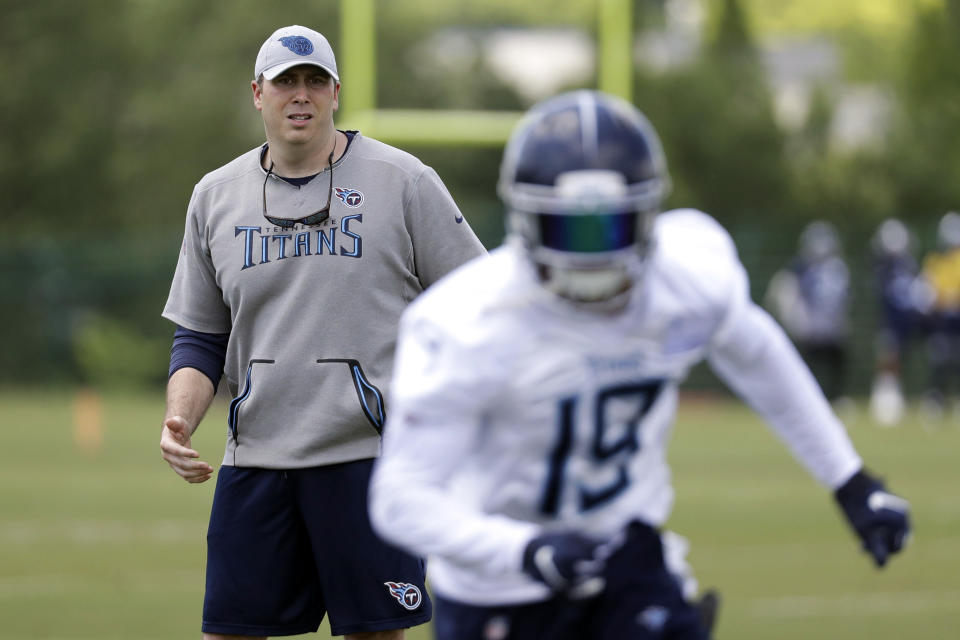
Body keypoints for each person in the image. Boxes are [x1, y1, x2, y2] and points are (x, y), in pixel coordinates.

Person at [368, 90, 911, 640]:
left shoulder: (686, 275)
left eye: (609, 228)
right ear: (527, 219)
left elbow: (757, 353)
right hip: (500, 591)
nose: (592, 255)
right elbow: (401, 498)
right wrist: (523, 548)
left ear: (648, 215)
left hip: (627, 560)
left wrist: (850, 480)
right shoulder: (466, 320)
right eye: (570, 230)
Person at [159, 25, 486, 640]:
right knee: (227, 632)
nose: (301, 95)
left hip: (368, 461)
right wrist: (180, 420)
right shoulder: (215, 196)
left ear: (336, 92)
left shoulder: (404, 181)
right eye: (286, 82)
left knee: (375, 634)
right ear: (259, 94)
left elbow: (479, 305)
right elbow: (201, 337)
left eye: (315, 82)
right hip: (256, 461)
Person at [764, 220, 851, 406]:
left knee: (834, 363)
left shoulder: (835, 268)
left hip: (831, 326)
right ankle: (808, 398)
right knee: (807, 366)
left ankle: (834, 397)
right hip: (812, 327)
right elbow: (784, 291)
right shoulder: (801, 269)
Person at [868, 218, 922, 426]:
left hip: (906, 319)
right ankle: (884, 398)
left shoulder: (908, 264)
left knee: (899, 357)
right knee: (888, 356)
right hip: (889, 319)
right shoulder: (883, 267)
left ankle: (893, 397)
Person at [915, 210, 960, 421]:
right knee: (939, 359)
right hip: (941, 322)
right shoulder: (934, 260)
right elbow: (927, 291)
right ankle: (935, 399)